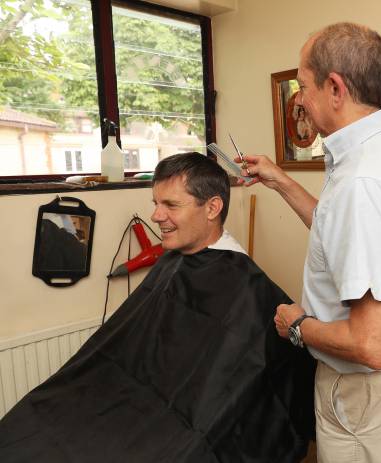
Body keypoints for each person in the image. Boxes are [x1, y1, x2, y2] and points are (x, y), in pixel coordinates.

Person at [0, 152, 315, 463]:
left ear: (213, 207)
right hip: (123, 411)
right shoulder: (173, 260)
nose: (156, 216)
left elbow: (261, 382)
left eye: (171, 205)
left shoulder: (245, 286)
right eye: (156, 203)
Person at [239, 22, 381, 463]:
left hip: (366, 389)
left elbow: (370, 345)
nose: (299, 99)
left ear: (335, 88)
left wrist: (296, 325)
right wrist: (281, 182)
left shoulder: (363, 182)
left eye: (303, 85)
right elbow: (345, 235)